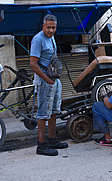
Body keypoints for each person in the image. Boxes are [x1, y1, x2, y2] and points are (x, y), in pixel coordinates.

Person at [30, 14, 68, 156]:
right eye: (49, 27)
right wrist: (47, 79)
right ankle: (41, 145)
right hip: (45, 80)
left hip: (53, 80)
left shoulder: (51, 38)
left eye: (54, 28)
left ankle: (52, 140)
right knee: (42, 113)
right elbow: (33, 65)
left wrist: (54, 80)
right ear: (43, 26)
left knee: (53, 110)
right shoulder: (38, 39)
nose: (51, 30)